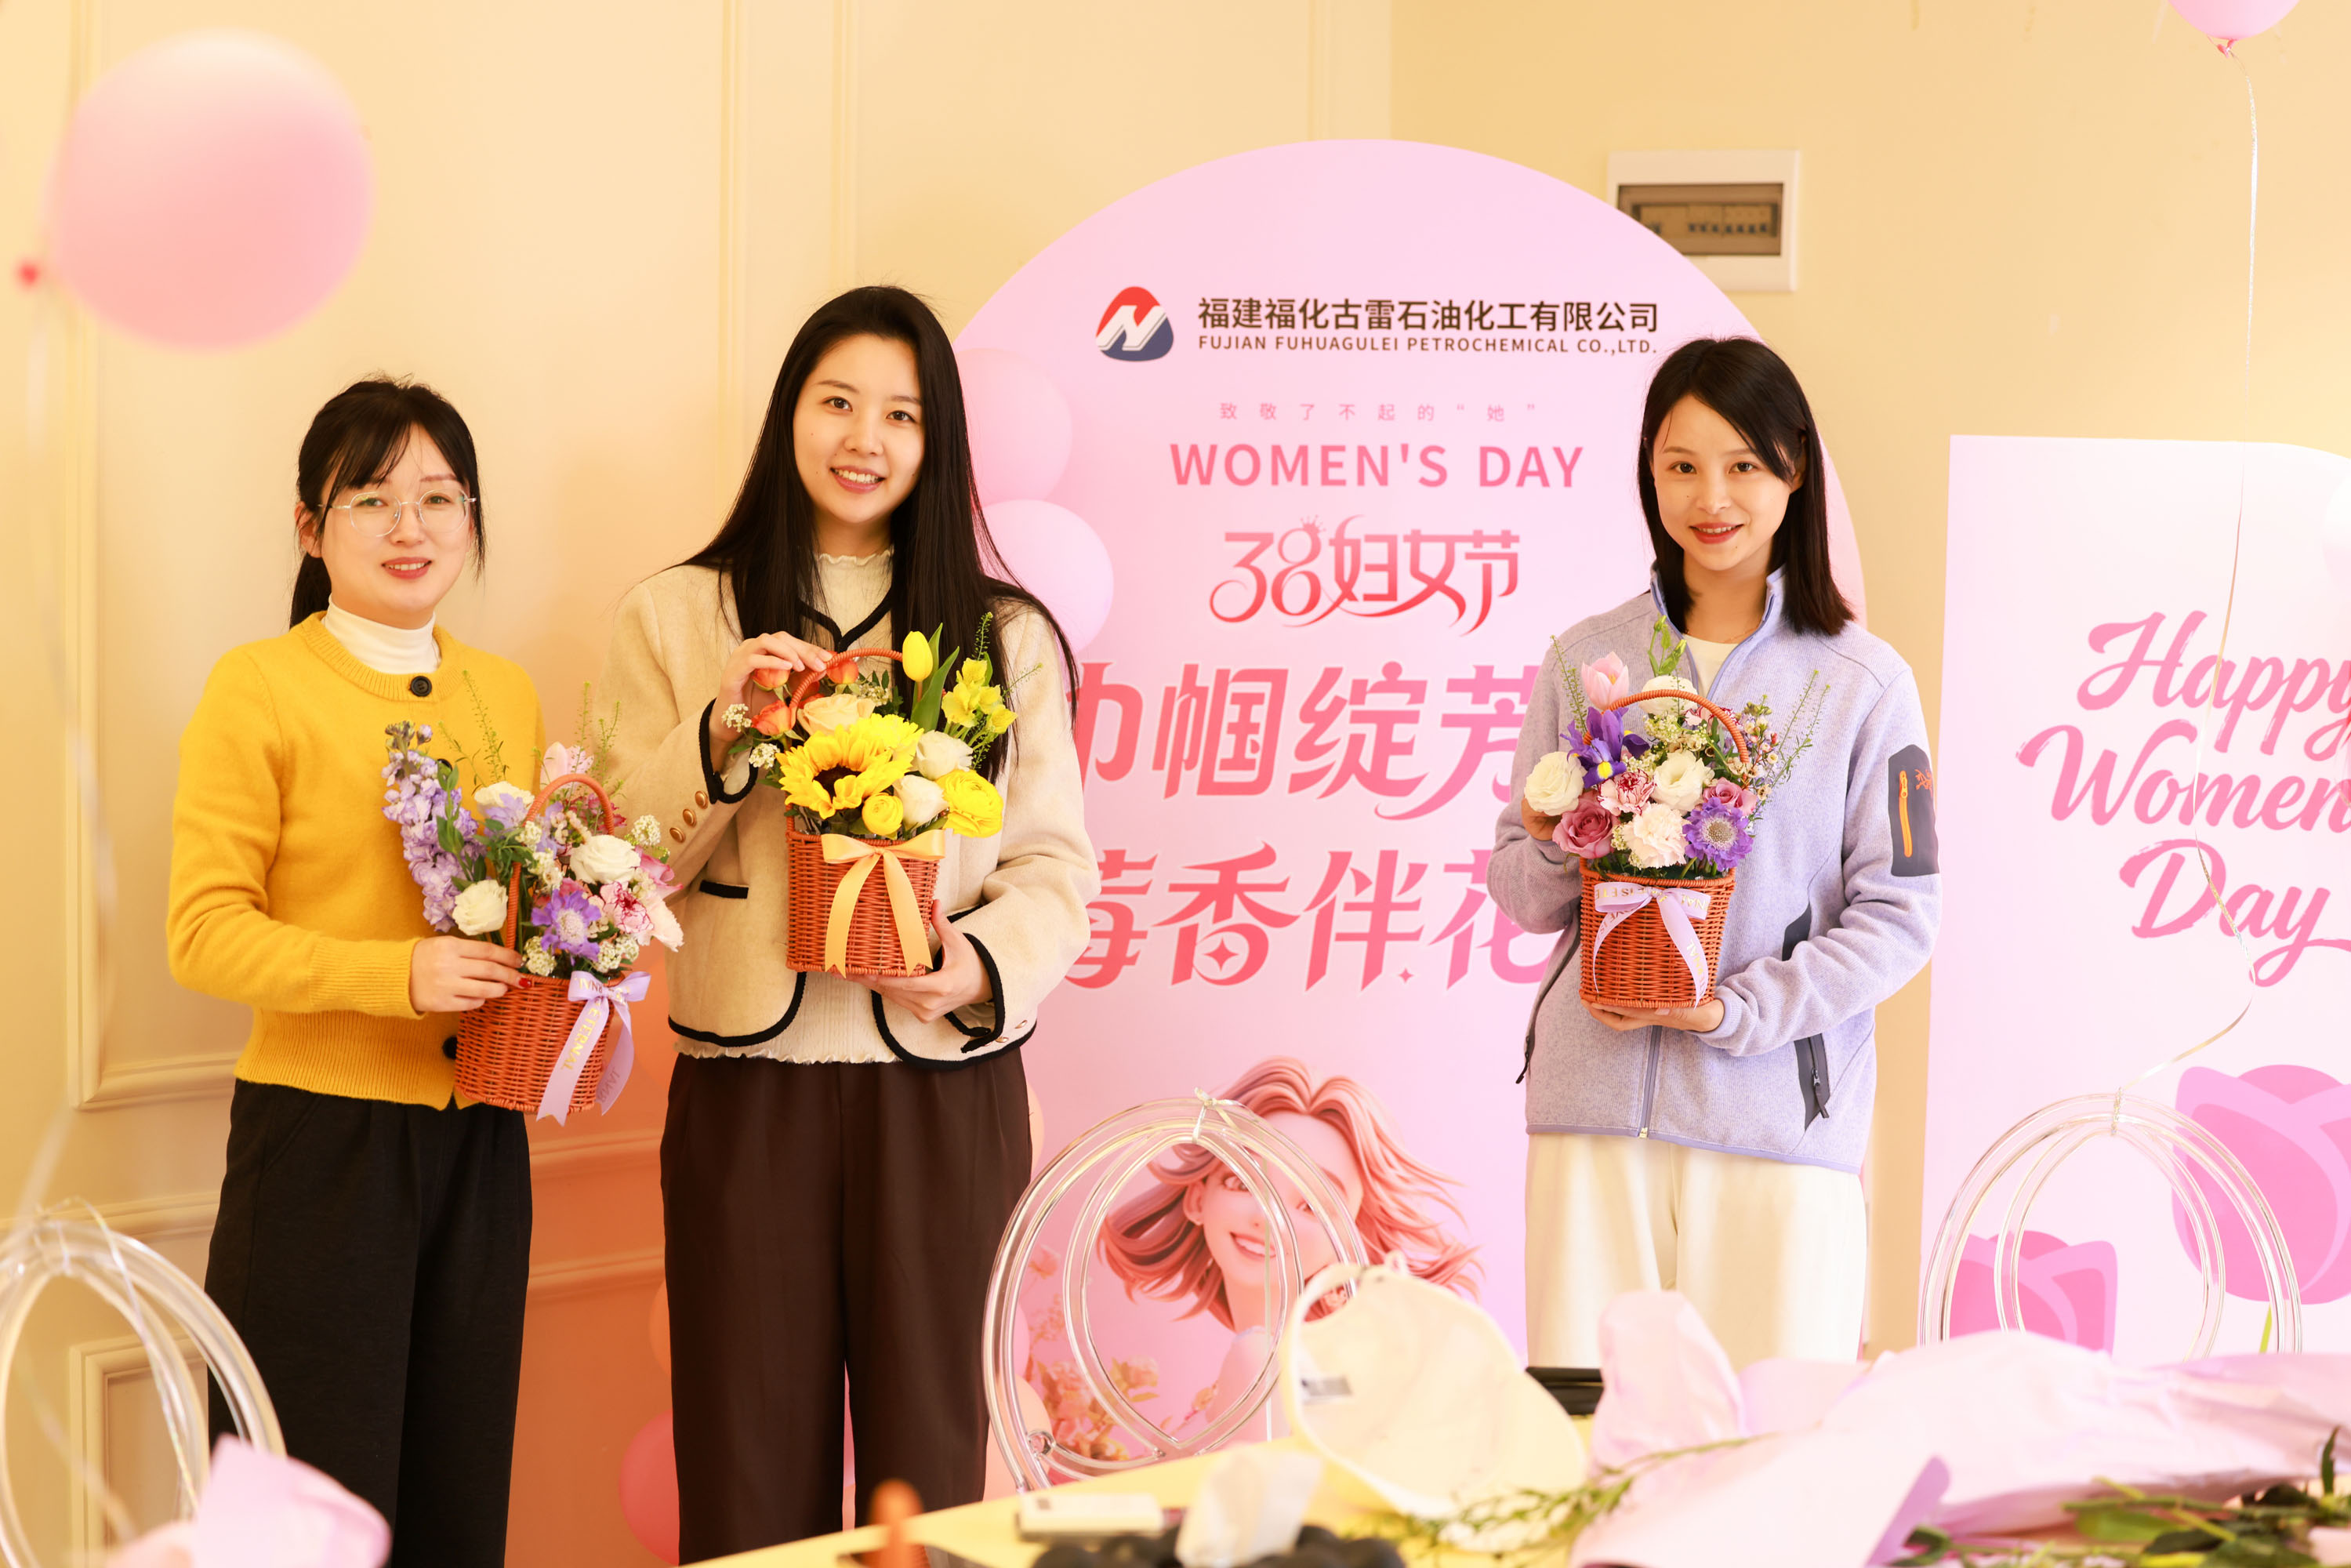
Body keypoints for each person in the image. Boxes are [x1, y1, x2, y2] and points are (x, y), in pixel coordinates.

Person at [598, 285, 1097, 1559]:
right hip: (748, 1084)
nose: (863, 438)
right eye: (836, 402)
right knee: (743, 1466)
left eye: (901, 414)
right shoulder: (673, 614)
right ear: (790, 415)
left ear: (938, 441)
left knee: (933, 1478)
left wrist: (973, 965)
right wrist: (724, 730)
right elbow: (620, 865)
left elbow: (1054, 865)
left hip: (942, 1091)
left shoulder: (1004, 634)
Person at [1492, 337, 1941, 1371]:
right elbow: (1516, 884)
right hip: (1592, 1125)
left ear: (1793, 468)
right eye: (1680, 465)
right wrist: (1572, 834)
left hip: (1775, 1130)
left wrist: (1733, 1013)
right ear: (1648, 474)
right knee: (1591, 1433)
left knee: (1770, 1439)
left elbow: (1901, 914)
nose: (1710, 497)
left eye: (1741, 463)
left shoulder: (1866, 683)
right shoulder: (1583, 660)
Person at [169, 378, 544, 1566]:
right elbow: (202, 931)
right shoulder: (259, 685)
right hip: (320, 1151)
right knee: (304, 1517)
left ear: (471, 518)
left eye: (439, 497)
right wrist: (399, 975)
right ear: (309, 525)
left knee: (456, 1502)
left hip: (482, 1142)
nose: (409, 526)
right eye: (372, 498)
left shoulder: (504, 690)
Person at [1088, 1057, 1478, 1432]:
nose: (1268, 1217)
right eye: (1242, 1182)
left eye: (1311, 1206)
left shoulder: (1258, 1363)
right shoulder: (1300, 1366)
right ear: (1197, 1199)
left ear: (1347, 1236)